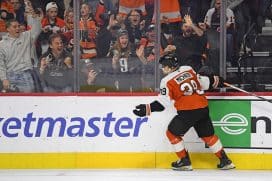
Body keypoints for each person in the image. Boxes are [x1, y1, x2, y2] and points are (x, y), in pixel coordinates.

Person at [132, 53, 235, 170]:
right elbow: (203, 83)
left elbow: (162, 104)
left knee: (171, 133)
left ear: (169, 67)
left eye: (164, 66)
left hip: (188, 111)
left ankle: (184, 161)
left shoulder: (166, 81)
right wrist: (215, 80)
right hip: (203, 108)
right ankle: (225, 161)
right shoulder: (188, 69)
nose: (162, 68)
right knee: (208, 136)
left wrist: (147, 108)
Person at [0, 8, 42, 93]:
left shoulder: (26, 36)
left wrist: (36, 19)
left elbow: (37, 30)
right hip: (9, 76)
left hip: (25, 74)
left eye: (18, 26)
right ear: (8, 29)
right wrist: (4, 79)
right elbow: (1, 64)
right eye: (14, 27)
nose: (18, 28)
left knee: (28, 102)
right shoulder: (2, 44)